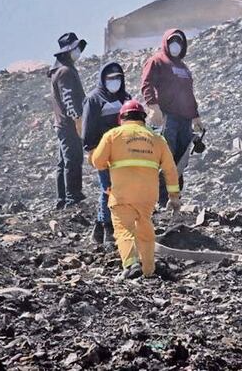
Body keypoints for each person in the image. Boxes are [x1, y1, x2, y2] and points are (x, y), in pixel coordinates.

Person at [90, 100, 181, 279]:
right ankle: (148, 270)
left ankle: (131, 265)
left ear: (121, 118)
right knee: (145, 229)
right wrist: (174, 196)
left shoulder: (113, 135)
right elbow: (170, 169)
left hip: (122, 194)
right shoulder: (157, 139)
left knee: (124, 229)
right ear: (143, 118)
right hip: (147, 196)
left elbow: (98, 162)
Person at [140, 28, 204, 205]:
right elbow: (146, 84)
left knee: (181, 160)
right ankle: (161, 200)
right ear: (165, 43)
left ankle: (175, 199)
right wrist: (153, 107)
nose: (175, 45)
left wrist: (195, 116)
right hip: (168, 117)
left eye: (179, 42)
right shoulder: (157, 61)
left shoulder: (184, 68)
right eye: (172, 41)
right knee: (166, 158)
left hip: (185, 120)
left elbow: (189, 93)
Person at [81, 61, 130, 245]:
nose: (115, 81)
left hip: (124, 153)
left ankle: (99, 227)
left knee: (122, 189)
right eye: (111, 78)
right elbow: (88, 128)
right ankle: (108, 229)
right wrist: (91, 151)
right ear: (103, 79)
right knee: (108, 189)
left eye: (118, 78)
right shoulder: (94, 99)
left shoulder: (125, 98)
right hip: (103, 151)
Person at [48, 32, 87, 210]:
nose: (77, 52)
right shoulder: (65, 72)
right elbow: (68, 99)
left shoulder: (60, 70)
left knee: (64, 161)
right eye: (75, 48)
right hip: (69, 124)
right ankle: (73, 198)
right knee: (73, 159)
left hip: (63, 124)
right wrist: (77, 120)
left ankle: (62, 198)